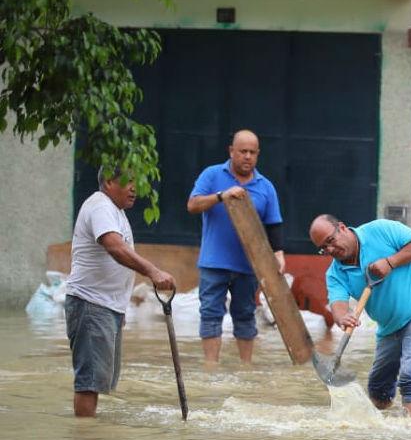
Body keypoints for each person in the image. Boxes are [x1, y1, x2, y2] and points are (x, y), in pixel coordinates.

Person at [310, 214, 411, 419]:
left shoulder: (381, 230)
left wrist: (390, 263)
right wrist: (342, 317)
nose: (330, 249)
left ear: (342, 227)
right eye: (324, 248)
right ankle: (382, 431)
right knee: (378, 389)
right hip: (389, 328)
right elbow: (338, 303)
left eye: (331, 241)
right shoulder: (335, 273)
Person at [65, 168, 176, 417]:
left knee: (99, 382)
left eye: (137, 181)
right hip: (91, 304)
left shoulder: (116, 212)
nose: (134, 188)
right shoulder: (100, 206)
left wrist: (120, 308)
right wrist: (153, 272)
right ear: (108, 182)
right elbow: (115, 248)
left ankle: (89, 436)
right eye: (128, 181)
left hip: (106, 307)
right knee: (89, 384)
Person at [187, 129, 285, 364]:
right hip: (214, 262)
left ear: (258, 154)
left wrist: (279, 255)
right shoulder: (212, 175)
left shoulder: (266, 187)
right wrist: (221, 195)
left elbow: (273, 225)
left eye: (252, 152)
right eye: (243, 151)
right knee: (210, 314)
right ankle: (211, 367)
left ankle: (246, 368)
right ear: (231, 151)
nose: (247, 157)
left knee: (245, 316)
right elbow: (192, 205)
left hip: (248, 266)